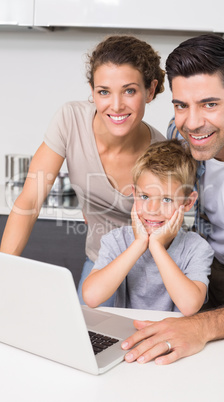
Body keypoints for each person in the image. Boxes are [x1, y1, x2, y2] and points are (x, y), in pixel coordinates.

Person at [120, 34, 224, 365]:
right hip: (200, 278)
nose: (193, 122)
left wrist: (200, 326)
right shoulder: (181, 134)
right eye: (181, 105)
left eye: (210, 104)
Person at [0, 35, 165, 305]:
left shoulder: (160, 152)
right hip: (100, 263)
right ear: (92, 91)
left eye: (129, 91)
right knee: (86, 341)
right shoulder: (70, 120)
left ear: (150, 89)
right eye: (104, 91)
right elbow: (30, 199)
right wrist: (4, 271)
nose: (116, 105)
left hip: (151, 273)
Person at [82, 139, 214, 314]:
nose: (152, 210)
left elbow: (189, 306)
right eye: (145, 197)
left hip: (173, 336)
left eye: (167, 199)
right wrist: (139, 244)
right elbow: (91, 296)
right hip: (128, 333)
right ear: (134, 193)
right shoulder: (117, 240)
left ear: (188, 202)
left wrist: (156, 246)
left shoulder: (196, 247)